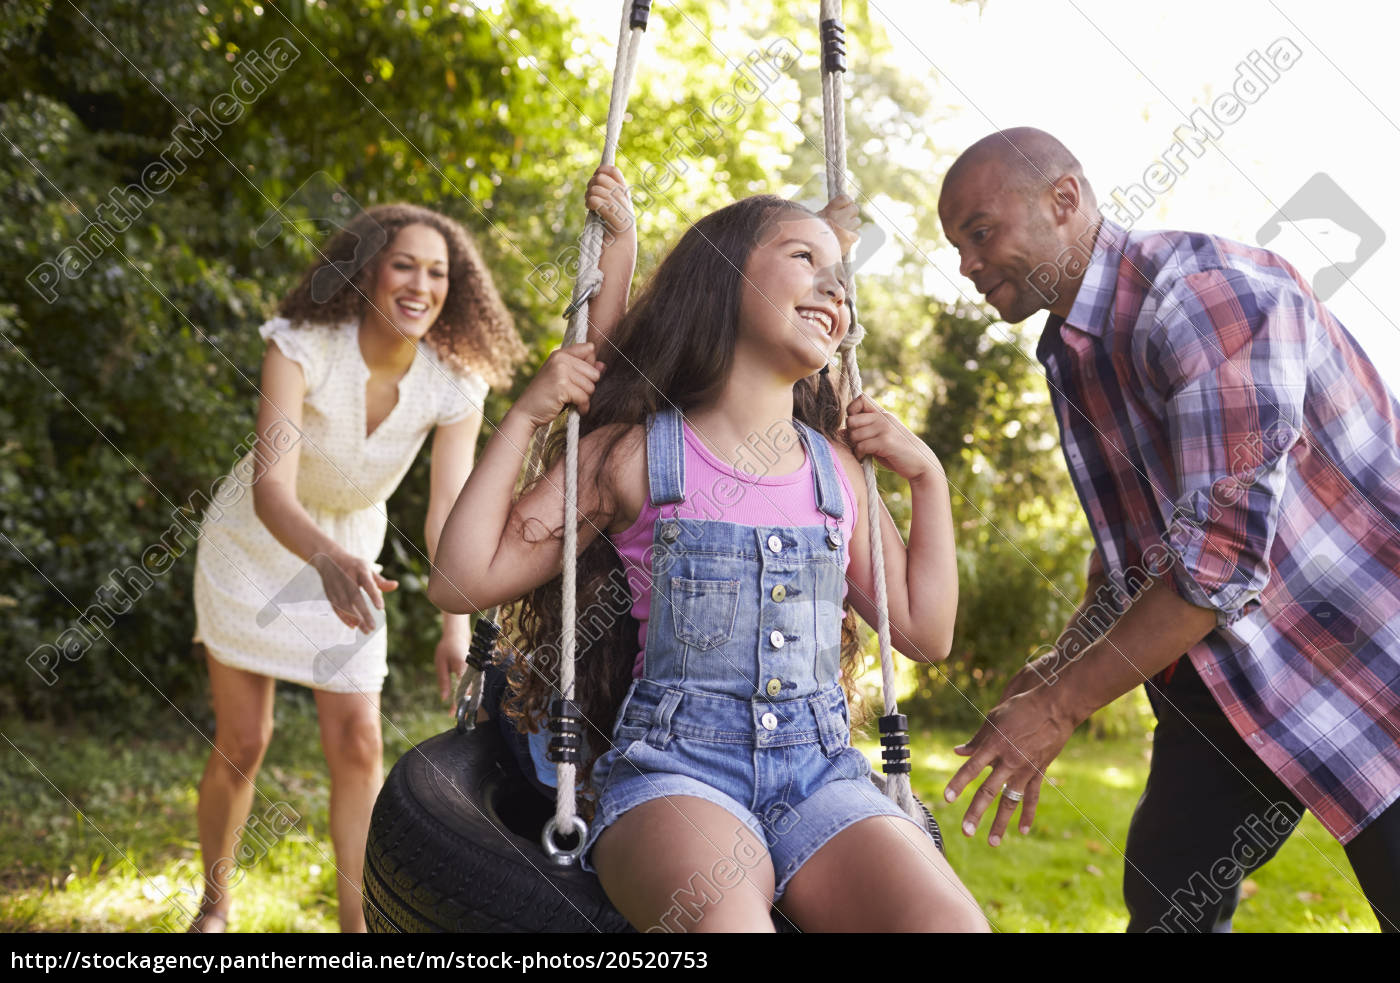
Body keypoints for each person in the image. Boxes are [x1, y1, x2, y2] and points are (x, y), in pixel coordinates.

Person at [429, 170, 988, 932]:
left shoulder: (837, 472)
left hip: (823, 778)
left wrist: (929, 479)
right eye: (804, 258)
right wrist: (529, 413)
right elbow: (461, 580)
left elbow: (925, 630)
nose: (835, 290)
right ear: (722, 279)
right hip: (677, 776)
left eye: (843, 278)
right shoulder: (631, 457)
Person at [937, 126, 1400, 932]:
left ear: (1064, 200)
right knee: (1170, 891)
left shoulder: (1206, 297)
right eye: (958, 246)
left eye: (981, 234)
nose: (968, 265)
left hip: (1360, 656)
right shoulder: (1079, 349)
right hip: (1234, 674)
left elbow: (1217, 561)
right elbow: (1141, 552)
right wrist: (1055, 666)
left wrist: (1058, 708)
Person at [187, 203, 527, 932]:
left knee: (360, 740)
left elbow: (446, 514)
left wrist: (455, 624)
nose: (420, 284)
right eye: (404, 264)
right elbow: (270, 488)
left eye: (438, 272)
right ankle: (214, 902)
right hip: (255, 543)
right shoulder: (302, 345)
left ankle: (357, 926)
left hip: (351, 549)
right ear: (368, 269)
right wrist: (331, 559)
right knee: (244, 739)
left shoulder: (453, 378)